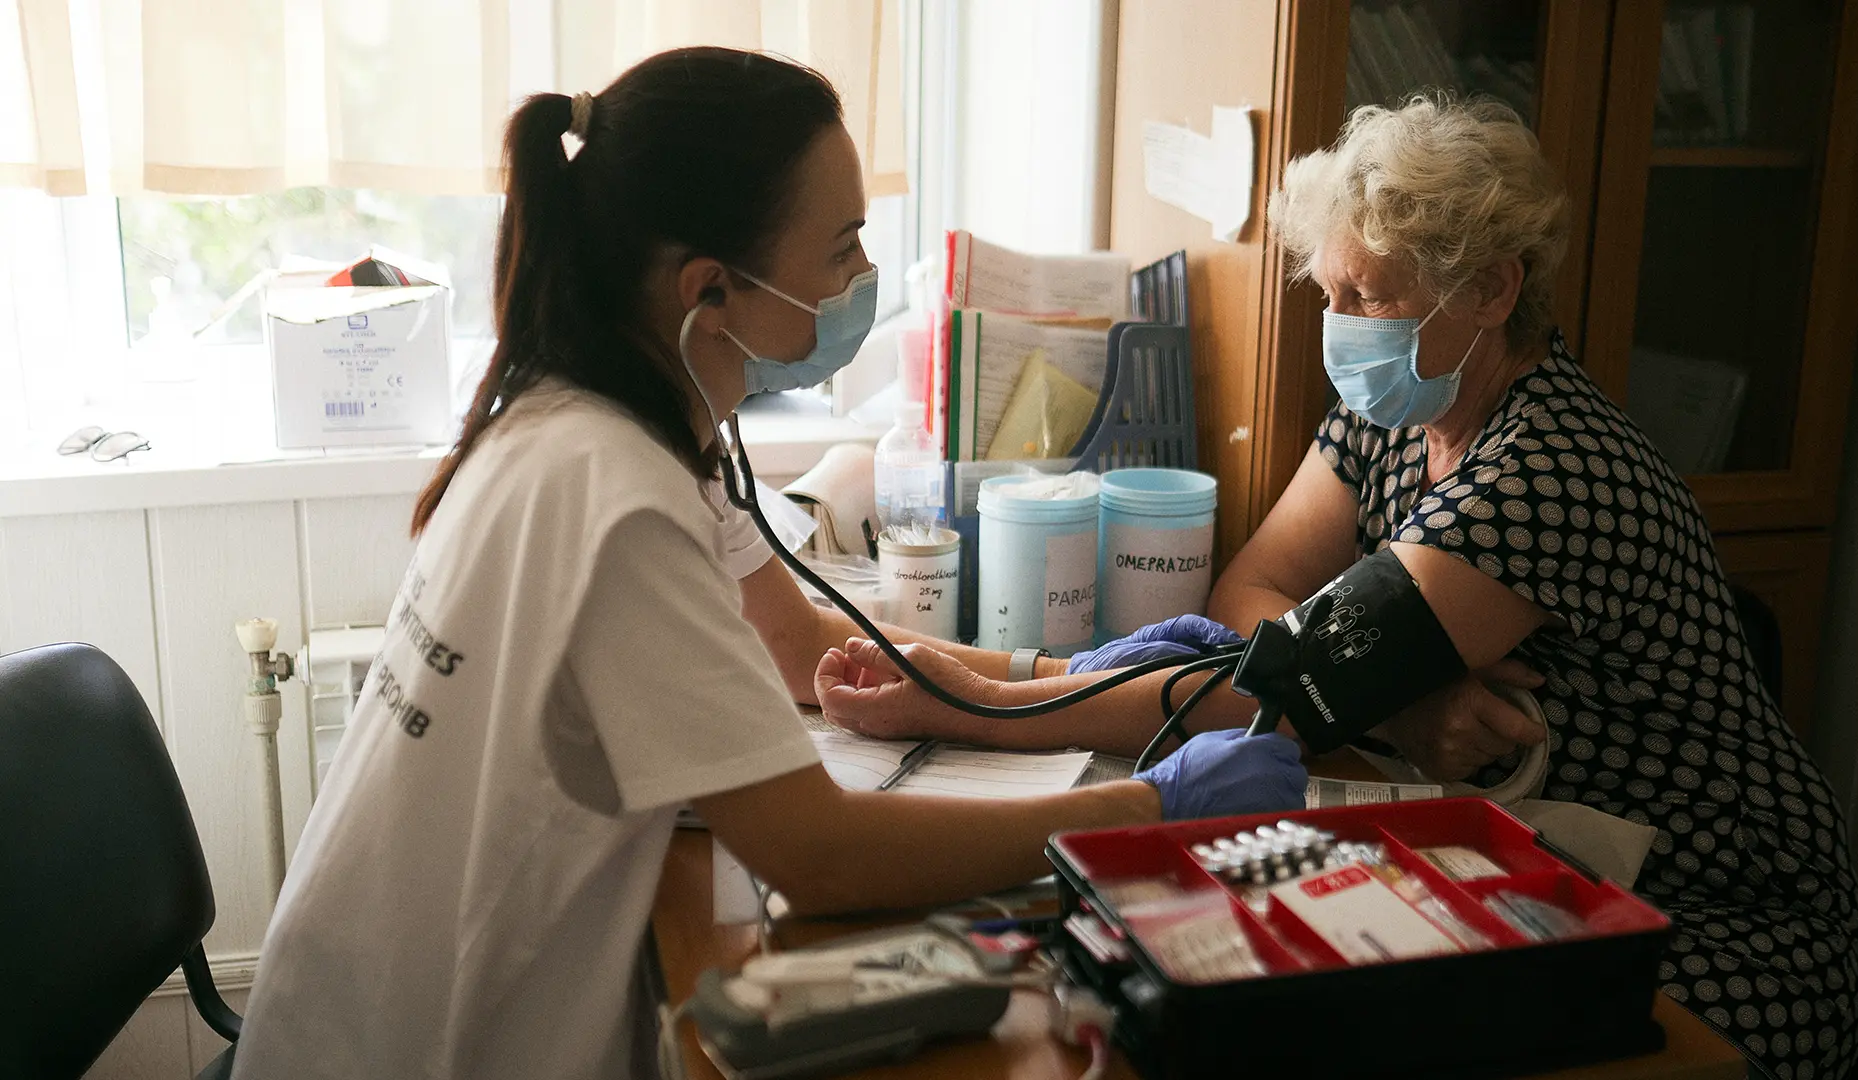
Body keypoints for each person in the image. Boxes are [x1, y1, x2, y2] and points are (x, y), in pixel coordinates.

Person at [229, 49, 1307, 1080]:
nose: (866, 274)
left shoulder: (612, 415)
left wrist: (1064, 674)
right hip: (416, 1045)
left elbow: (797, 644)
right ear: (711, 291)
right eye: (841, 245)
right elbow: (817, 854)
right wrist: (1149, 813)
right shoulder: (617, 493)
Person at [820, 97, 1858, 1079]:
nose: (1341, 322)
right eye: (1331, 291)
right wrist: (1390, 694)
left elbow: (1276, 680)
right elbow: (1257, 590)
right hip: (1525, 867)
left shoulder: (1547, 471)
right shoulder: (1401, 411)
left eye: (1369, 295)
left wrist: (983, 704)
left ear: (1493, 290)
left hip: (1709, 923)